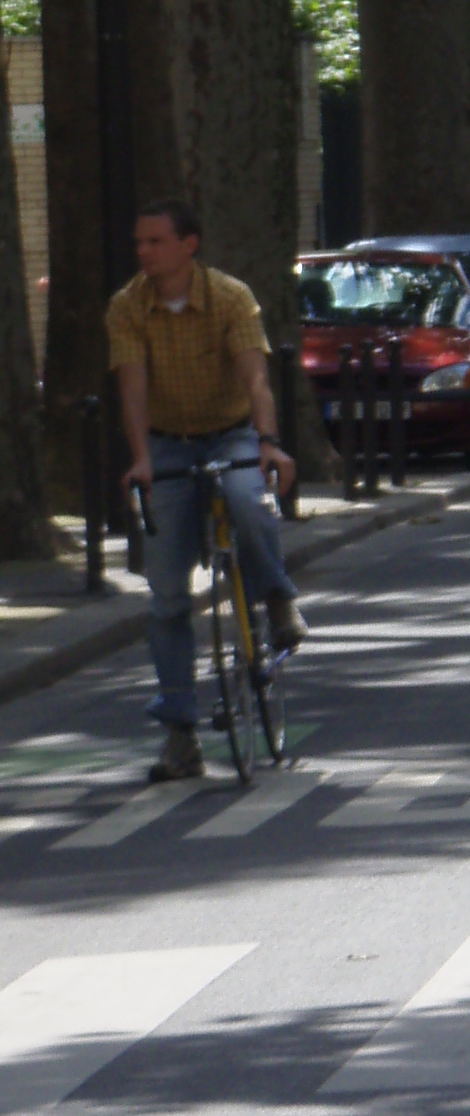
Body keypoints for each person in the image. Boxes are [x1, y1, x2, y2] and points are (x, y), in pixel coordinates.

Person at [107, 199, 303, 785]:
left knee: (246, 498)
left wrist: (267, 440)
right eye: (139, 243)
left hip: (230, 432)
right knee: (166, 596)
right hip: (168, 443)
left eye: (156, 242)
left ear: (189, 244)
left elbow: (255, 378)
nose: (144, 252)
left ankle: (276, 595)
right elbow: (133, 390)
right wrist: (141, 458)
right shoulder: (127, 307)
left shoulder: (230, 296)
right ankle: (179, 734)